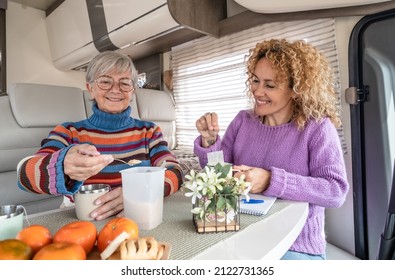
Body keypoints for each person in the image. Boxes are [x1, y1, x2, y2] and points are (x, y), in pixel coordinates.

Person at [193, 38, 349, 260]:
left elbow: (335, 191)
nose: (257, 91)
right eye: (255, 81)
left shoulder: (318, 128)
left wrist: (270, 181)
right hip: (237, 236)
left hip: (295, 245)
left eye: (270, 85)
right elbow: (218, 175)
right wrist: (209, 142)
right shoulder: (242, 121)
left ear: (296, 90)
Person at [17, 51, 183, 221]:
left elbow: (175, 171)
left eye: (124, 83)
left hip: (136, 218)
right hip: (83, 222)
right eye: (105, 81)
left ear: (132, 91)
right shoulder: (69, 132)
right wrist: (61, 164)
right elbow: (25, 176)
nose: (116, 89)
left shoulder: (149, 132)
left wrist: (142, 192)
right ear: (91, 89)